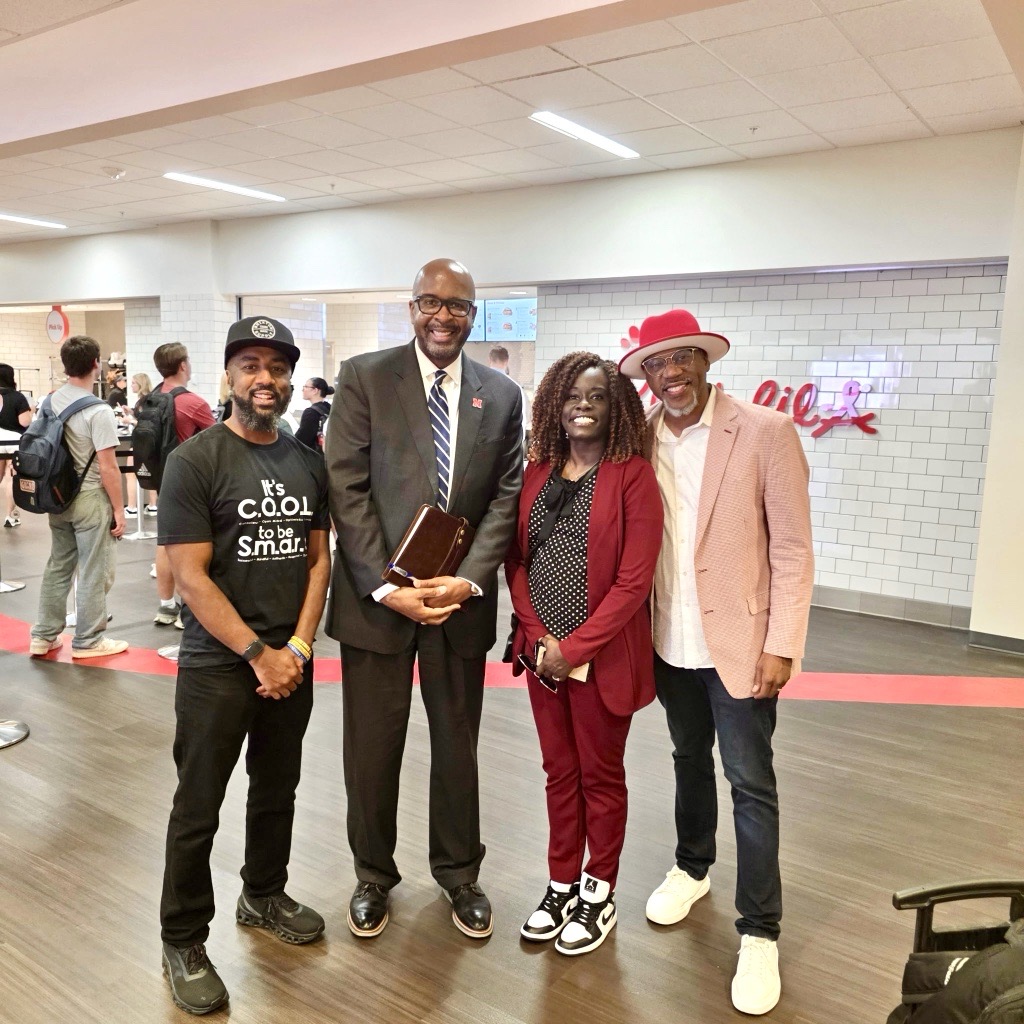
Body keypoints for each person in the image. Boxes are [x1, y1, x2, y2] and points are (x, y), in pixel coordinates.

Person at [618, 309, 814, 1016]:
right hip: (666, 639)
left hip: (741, 646)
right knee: (685, 759)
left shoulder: (765, 431)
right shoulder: (634, 440)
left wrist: (782, 643)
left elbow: (792, 548)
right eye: (655, 364)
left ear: (703, 361)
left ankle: (760, 931)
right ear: (644, 374)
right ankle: (691, 865)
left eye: (681, 360)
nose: (670, 374)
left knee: (751, 782)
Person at [326, 258, 523, 941]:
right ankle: (372, 876)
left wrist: (465, 579)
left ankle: (459, 873)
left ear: (476, 315)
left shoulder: (500, 394)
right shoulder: (364, 377)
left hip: (457, 605)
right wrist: (388, 585)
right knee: (371, 748)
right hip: (377, 603)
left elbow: (506, 496)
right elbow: (345, 488)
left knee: (457, 746)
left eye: (459, 306)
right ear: (411, 308)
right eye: (431, 303)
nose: (444, 317)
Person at [158, 316, 331, 1015]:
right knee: (198, 806)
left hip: (289, 661)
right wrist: (258, 653)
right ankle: (182, 939)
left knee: (277, 790)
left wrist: (296, 648)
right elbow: (192, 577)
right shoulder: (195, 461)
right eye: (251, 365)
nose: (267, 379)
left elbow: (320, 560)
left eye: (278, 368)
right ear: (228, 375)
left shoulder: (305, 460)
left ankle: (261, 895)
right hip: (219, 666)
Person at [505, 352, 661, 955]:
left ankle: (600, 889)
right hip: (541, 655)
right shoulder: (539, 469)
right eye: (572, 396)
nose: (583, 407)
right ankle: (562, 880)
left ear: (616, 406)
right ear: (554, 405)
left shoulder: (632, 476)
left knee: (600, 775)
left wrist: (574, 648)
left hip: (598, 657)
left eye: (596, 397)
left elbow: (633, 582)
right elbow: (517, 561)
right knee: (558, 772)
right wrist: (539, 635)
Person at [28, 337, 128, 659]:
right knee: (93, 569)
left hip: (56, 496)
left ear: (65, 363)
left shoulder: (48, 401)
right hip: (89, 498)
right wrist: (118, 509)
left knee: (59, 565)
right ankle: (89, 641)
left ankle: (43, 635)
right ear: (97, 363)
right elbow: (108, 467)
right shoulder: (98, 410)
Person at [151, 342, 215, 626]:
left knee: (165, 543)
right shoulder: (193, 403)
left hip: (158, 477)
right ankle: (189, 611)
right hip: (188, 484)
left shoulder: (151, 398)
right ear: (183, 365)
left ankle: (166, 607)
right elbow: (217, 441)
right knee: (193, 547)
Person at [119, 372, 157, 517]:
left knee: (130, 474)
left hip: (140, 441)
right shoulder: (150, 401)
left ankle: (132, 507)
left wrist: (130, 420)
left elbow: (145, 424)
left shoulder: (143, 402)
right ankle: (153, 505)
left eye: (133, 382)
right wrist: (133, 412)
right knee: (149, 473)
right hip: (149, 443)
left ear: (140, 384)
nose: (131, 385)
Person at [0, 362, 32, 528]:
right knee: (11, 478)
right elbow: (24, 421)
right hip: (14, 442)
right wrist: (31, 411)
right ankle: (10, 516)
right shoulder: (17, 397)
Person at [294, 377, 333, 451]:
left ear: (315, 390)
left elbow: (302, 441)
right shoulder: (329, 407)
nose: (303, 389)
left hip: (315, 457)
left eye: (306, 387)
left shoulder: (311, 412)